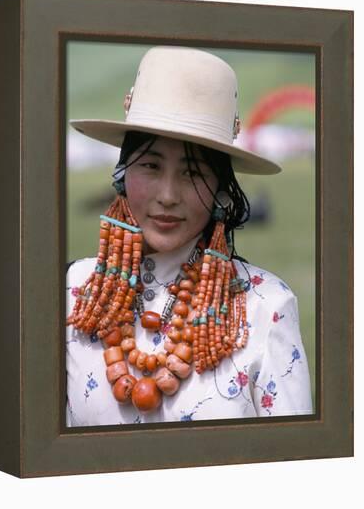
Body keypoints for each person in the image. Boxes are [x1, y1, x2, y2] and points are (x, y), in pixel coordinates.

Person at [65, 46, 313, 426]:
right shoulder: (71, 294)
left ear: (220, 187)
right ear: (122, 174)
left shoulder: (267, 306)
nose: (168, 195)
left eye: (193, 172)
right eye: (150, 165)